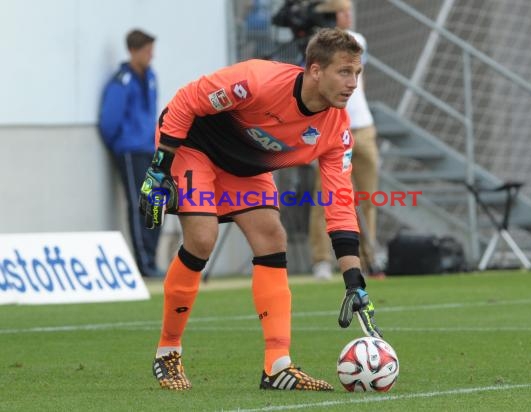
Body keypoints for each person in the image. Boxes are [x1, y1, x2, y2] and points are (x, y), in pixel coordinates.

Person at [139, 28, 382, 391]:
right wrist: (160, 166)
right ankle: (167, 353)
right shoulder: (258, 79)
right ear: (315, 70)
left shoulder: (337, 130)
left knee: (271, 237)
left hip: (245, 166)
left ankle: (277, 366)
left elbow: (339, 202)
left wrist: (354, 278)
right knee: (203, 238)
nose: (352, 83)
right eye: (344, 72)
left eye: (357, 74)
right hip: (194, 145)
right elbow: (187, 100)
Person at [308, 0, 380, 280]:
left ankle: (367, 257)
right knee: (325, 196)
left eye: (350, 11)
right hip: (331, 129)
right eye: (341, 11)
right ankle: (322, 260)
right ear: (329, 14)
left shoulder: (357, 40)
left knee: (367, 196)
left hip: (362, 126)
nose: (347, 16)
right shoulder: (319, 49)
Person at [99, 29, 164, 278]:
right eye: (147, 50)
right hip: (130, 150)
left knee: (156, 203)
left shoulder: (150, 76)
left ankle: (152, 257)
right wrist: (121, 144)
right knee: (140, 203)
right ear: (133, 51)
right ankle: (143, 263)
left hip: (151, 149)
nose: (151, 55)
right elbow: (109, 121)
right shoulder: (121, 81)